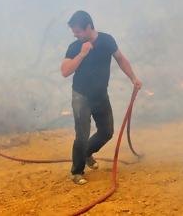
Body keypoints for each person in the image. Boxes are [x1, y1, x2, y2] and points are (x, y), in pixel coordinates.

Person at [61, 11, 142, 185]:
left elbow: (120, 59)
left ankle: (87, 152)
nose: (75, 34)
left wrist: (133, 78)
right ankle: (76, 172)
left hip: (100, 95)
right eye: (74, 32)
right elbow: (65, 71)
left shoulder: (107, 40)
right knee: (82, 135)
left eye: (78, 31)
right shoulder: (75, 47)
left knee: (107, 131)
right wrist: (82, 54)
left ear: (89, 27)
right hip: (81, 96)